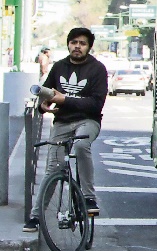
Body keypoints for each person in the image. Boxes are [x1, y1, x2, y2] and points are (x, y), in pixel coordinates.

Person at [24, 27, 108, 233]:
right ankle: (36, 216)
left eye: (82, 43)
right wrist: (42, 104)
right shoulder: (59, 66)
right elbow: (46, 91)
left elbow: (96, 104)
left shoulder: (97, 69)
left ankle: (88, 197)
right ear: (68, 44)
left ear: (89, 47)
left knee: (81, 146)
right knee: (53, 168)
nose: (77, 47)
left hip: (87, 121)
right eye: (74, 43)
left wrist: (65, 100)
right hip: (61, 123)